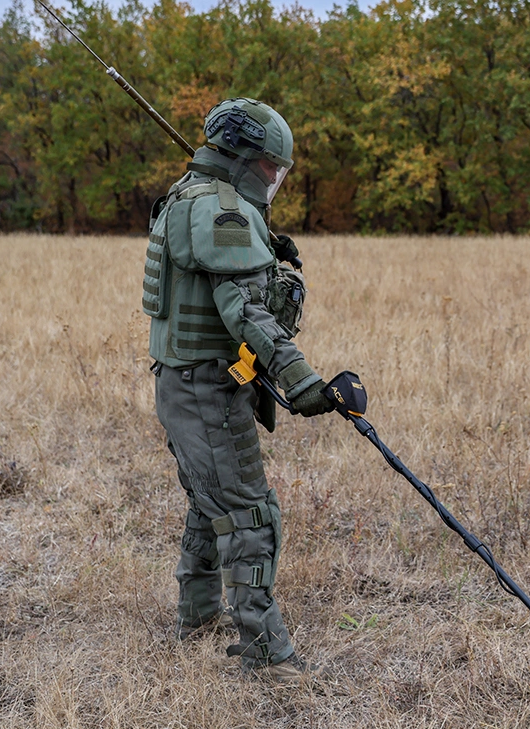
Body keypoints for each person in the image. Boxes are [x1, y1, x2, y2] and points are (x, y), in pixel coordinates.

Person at [140, 97, 335, 683]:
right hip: (205, 389)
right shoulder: (221, 209)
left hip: (183, 383)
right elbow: (242, 307)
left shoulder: (188, 196)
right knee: (251, 514)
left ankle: (196, 619)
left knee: (210, 502)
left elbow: (215, 281)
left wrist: (267, 255)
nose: (276, 180)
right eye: (272, 168)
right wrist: (302, 382)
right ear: (248, 159)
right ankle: (266, 652)